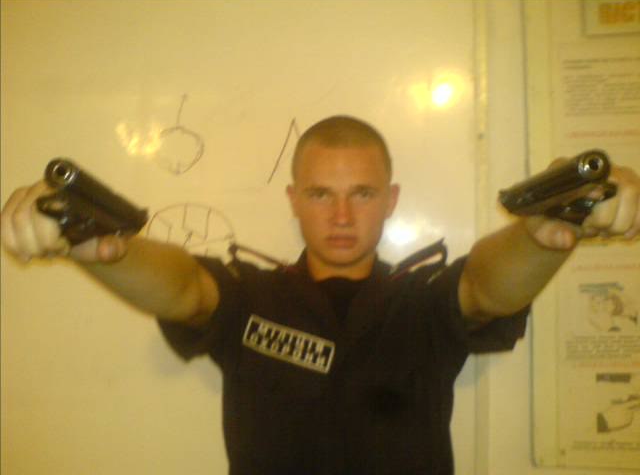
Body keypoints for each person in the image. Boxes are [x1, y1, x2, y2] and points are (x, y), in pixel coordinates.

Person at [2, 115, 639, 474]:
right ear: (293, 201)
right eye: (319, 194)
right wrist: (102, 245)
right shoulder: (247, 297)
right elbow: (183, 288)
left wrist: (542, 233)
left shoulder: (423, 303)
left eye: (362, 194)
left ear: (390, 201)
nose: (340, 216)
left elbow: (486, 285)